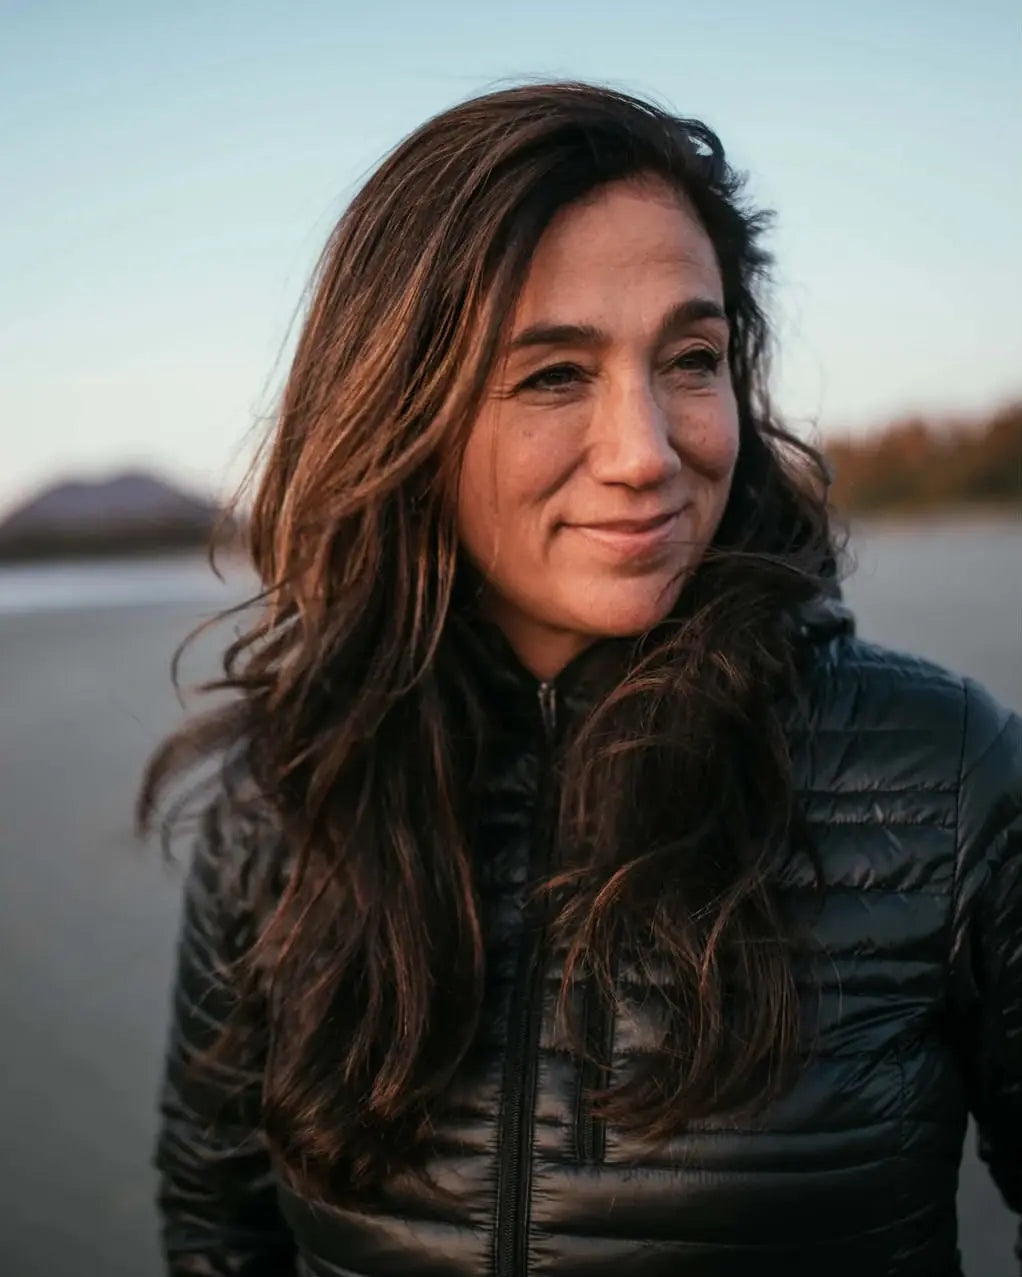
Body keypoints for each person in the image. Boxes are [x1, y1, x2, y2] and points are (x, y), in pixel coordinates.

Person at [138, 81, 1022, 1277]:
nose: (646, 451)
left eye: (690, 357)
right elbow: (216, 1223)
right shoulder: (287, 787)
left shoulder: (942, 771)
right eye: (554, 373)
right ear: (401, 411)